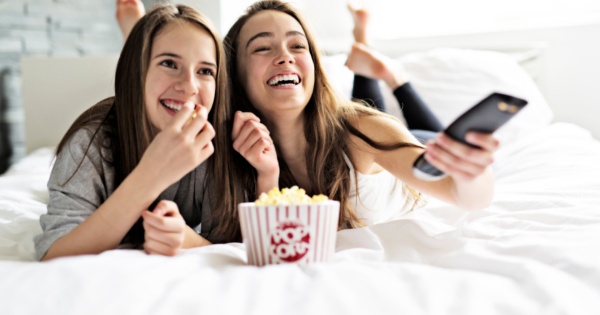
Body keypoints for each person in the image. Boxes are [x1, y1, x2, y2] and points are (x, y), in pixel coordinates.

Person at [216, 0, 499, 238]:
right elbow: (271, 241)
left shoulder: (365, 132)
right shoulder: (234, 155)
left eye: (298, 46)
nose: (285, 56)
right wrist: (268, 175)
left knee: (432, 133)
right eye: (262, 48)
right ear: (234, 75)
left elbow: (463, 196)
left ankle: (395, 78)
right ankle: (364, 47)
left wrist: (473, 171)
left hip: (415, 143)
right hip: (367, 131)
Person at [34, 3, 232, 261]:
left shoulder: (218, 145)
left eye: (205, 71)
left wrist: (185, 238)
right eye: (169, 63)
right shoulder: (89, 143)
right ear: (137, 72)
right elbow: (53, 253)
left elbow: (229, 244)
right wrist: (153, 173)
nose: (189, 86)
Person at [345, 3, 444, 142]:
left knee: (369, 138)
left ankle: (397, 80)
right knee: (445, 145)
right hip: (425, 145)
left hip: (410, 146)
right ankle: (395, 78)